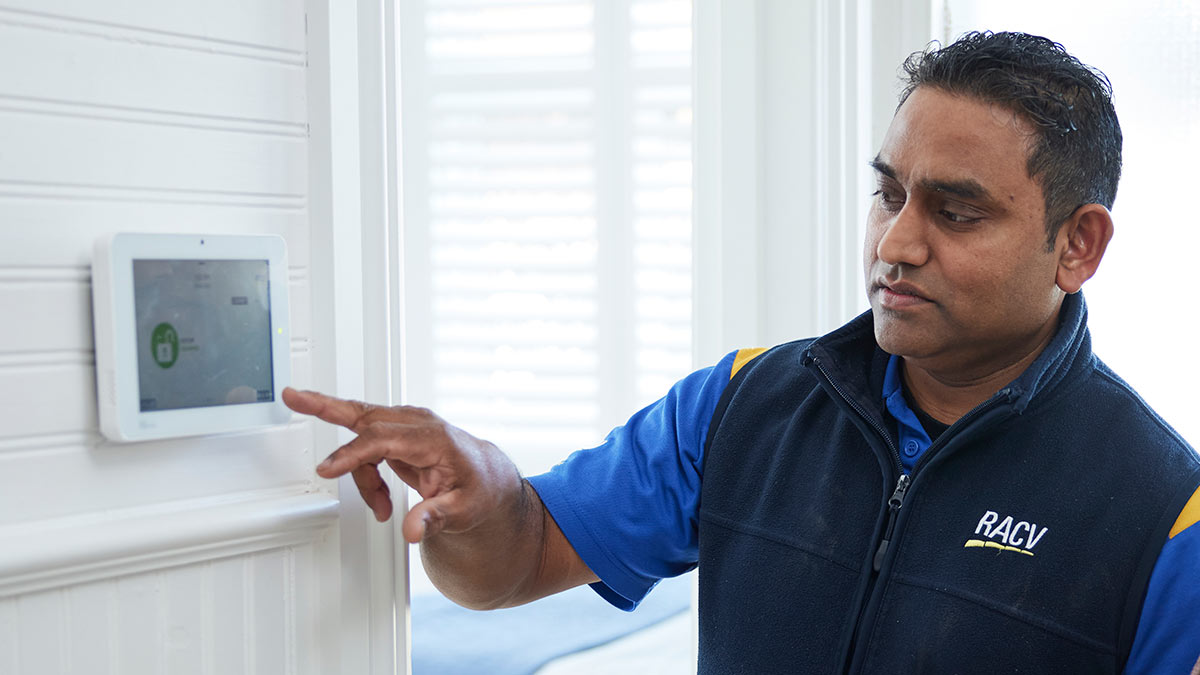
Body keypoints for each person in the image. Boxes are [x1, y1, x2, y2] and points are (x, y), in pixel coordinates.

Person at [284, 32, 1200, 673]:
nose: (896, 243)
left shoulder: (1167, 514)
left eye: (955, 211)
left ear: (1077, 245)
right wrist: (480, 499)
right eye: (889, 195)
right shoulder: (743, 402)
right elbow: (511, 563)